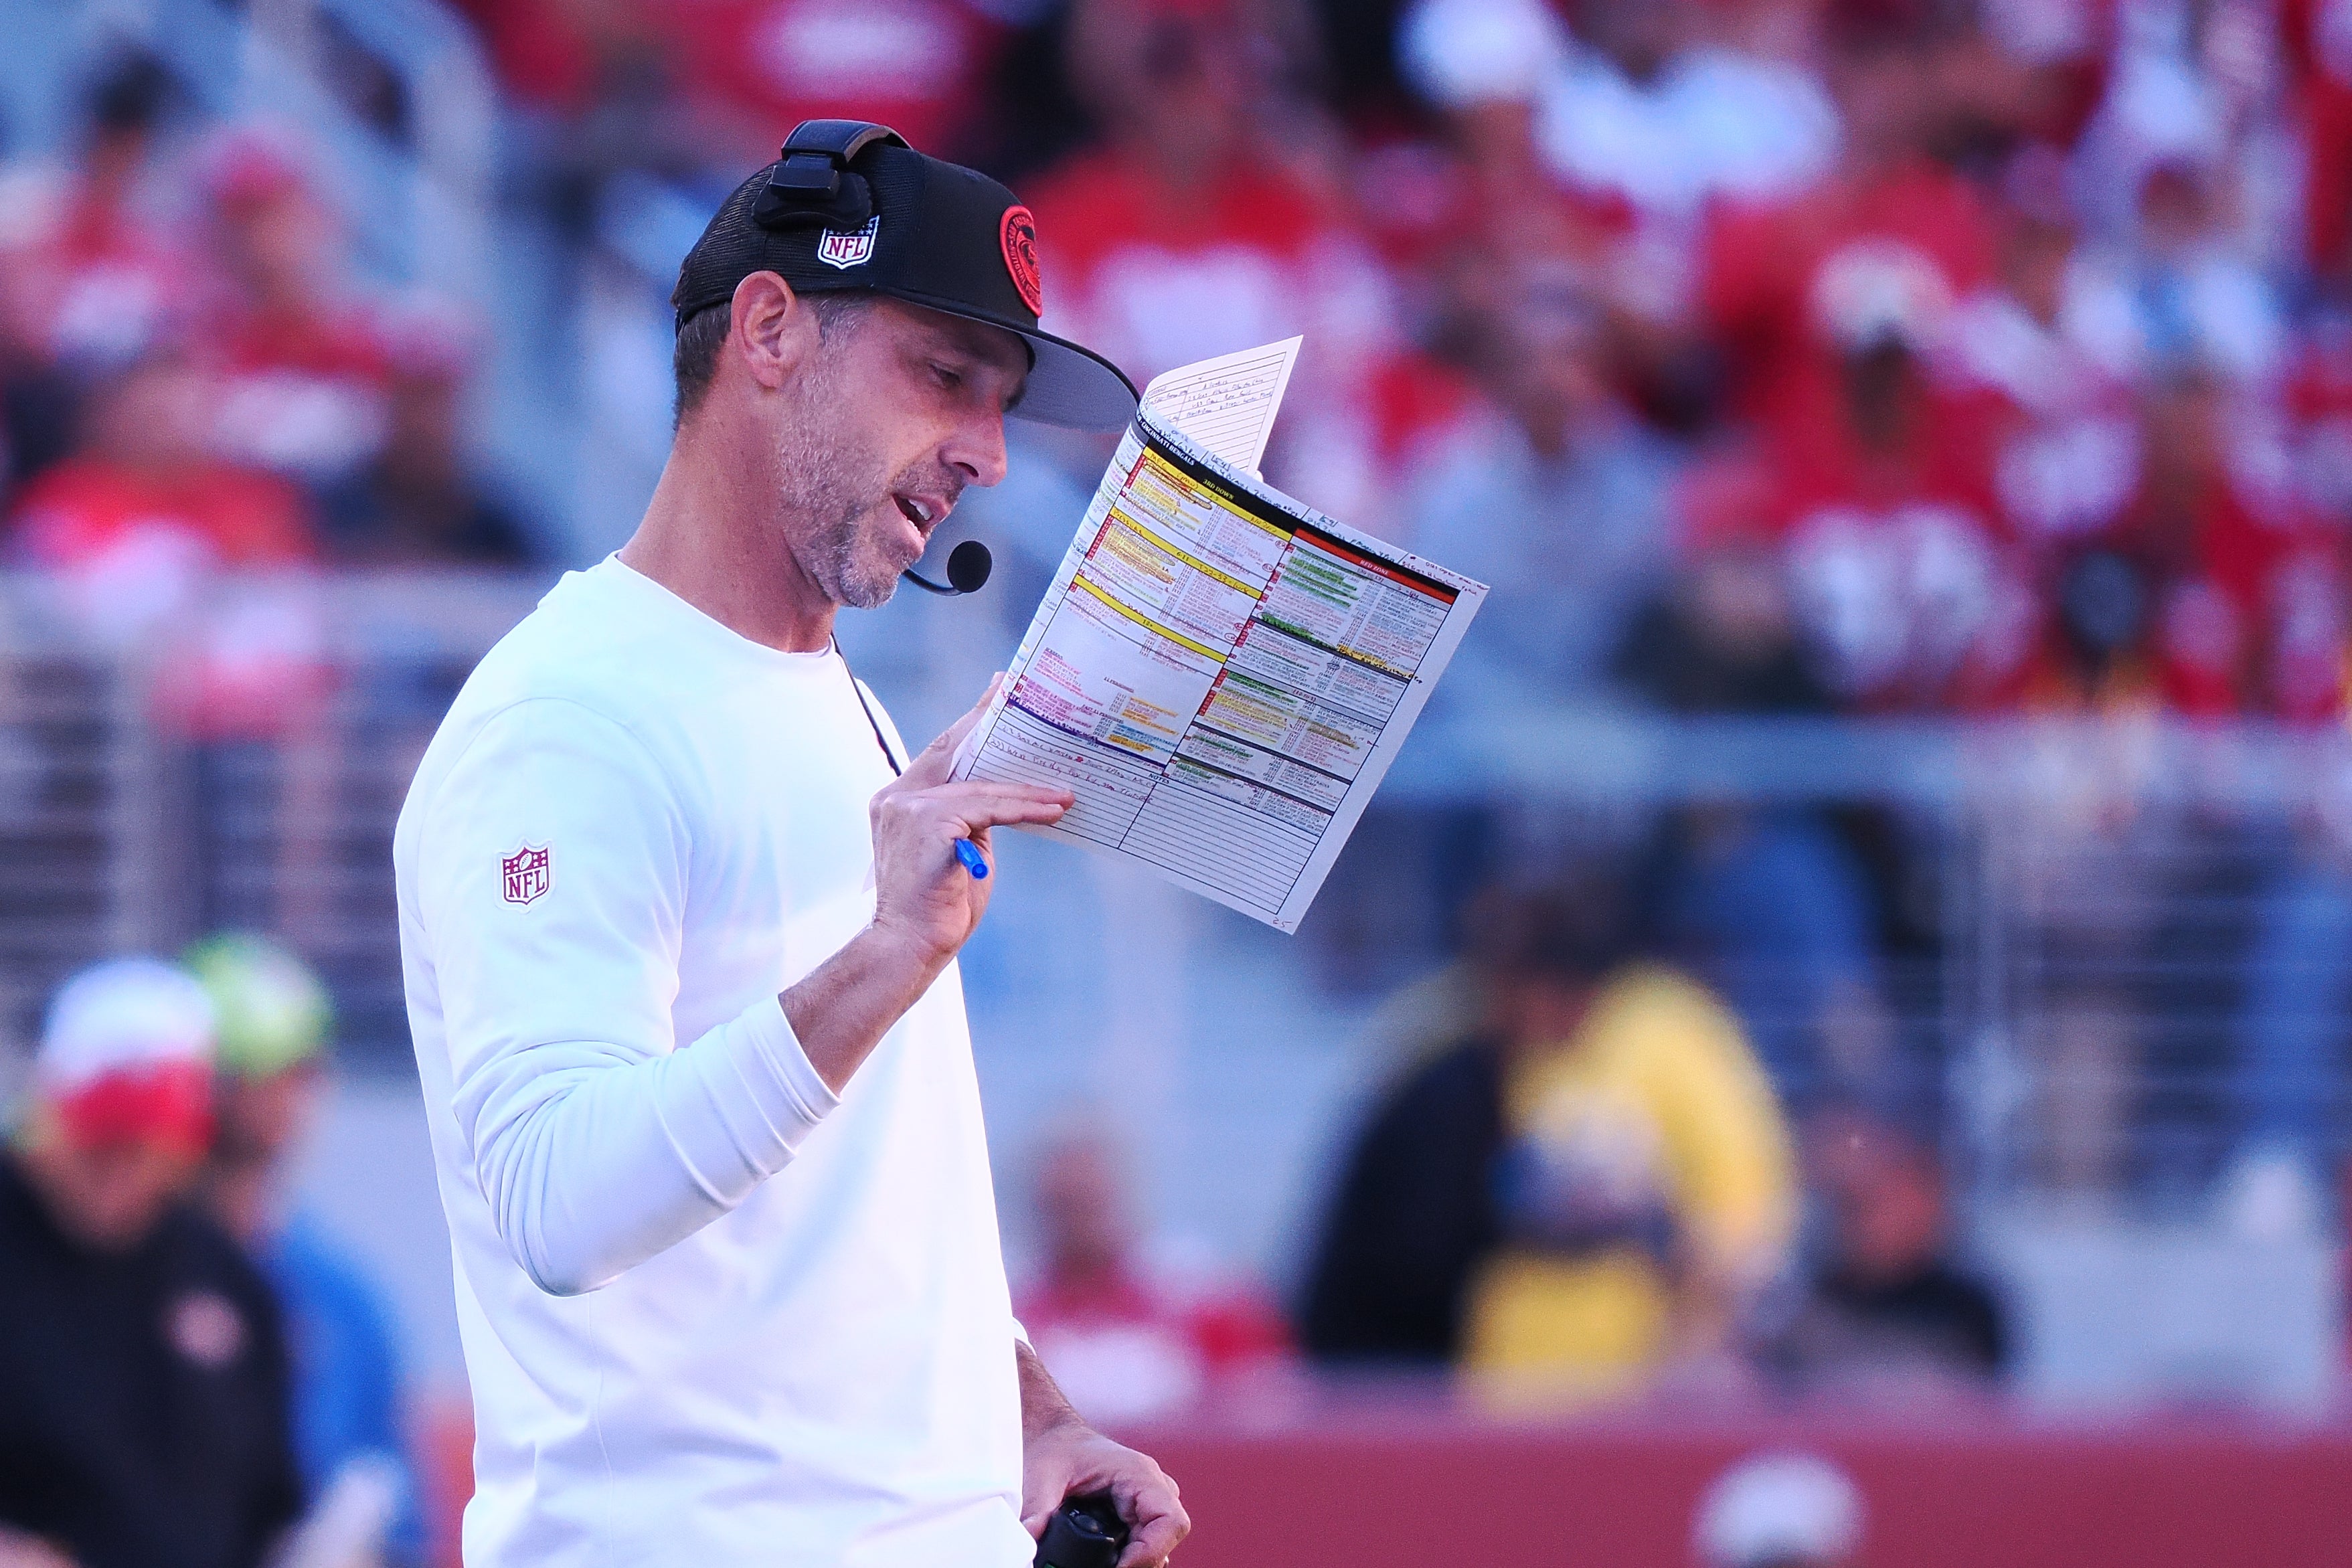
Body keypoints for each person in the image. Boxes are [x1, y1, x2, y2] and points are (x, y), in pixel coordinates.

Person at [392, 122, 1187, 1567]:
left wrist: (1020, 1412)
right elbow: (558, 1201)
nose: (990, 455)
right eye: (945, 376)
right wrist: (884, 956)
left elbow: (853, 1196)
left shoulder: (841, 702)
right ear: (768, 329)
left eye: (1001, 403)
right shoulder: (568, 719)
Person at [1300, 882, 1796, 1398]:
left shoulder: (1664, 1032)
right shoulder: (1453, 1069)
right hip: (1422, 1380)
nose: (1578, 1027)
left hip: (1584, 1386)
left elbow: (1737, 1227)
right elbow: (1409, 1254)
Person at [0, 957, 305, 1568]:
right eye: (102, 1145)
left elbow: (275, 1504)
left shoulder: (223, 1275)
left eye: (147, 1148)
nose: (124, 1174)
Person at [187, 934, 424, 1567]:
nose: (280, 1097)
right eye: (247, 1071)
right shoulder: (111, 1272)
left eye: (297, 1072)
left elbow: (400, 1515)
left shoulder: (341, 1300)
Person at [1015, 1130, 1290, 1425]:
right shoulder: (1008, 1315)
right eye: (1065, 1203)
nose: (1081, 1218)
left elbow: (1270, 1411)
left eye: (1092, 1199)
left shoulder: (1201, 1299)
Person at [1763, 1113, 2007, 1393]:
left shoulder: (1969, 1311)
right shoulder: (1804, 1310)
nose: (1883, 1218)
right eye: (1861, 1203)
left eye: (1901, 1199)